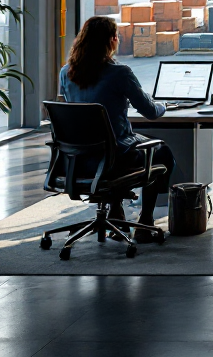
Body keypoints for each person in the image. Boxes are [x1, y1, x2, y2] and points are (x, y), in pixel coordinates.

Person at [58, 16, 176, 241]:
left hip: (76, 159)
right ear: (112, 40)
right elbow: (150, 112)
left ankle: (116, 211)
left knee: (110, 143)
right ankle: (145, 222)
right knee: (161, 152)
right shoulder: (120, 72)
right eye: (117, 36)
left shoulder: (66, 72)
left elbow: (67, 110)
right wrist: (165, 105)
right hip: (113, 159)